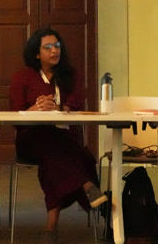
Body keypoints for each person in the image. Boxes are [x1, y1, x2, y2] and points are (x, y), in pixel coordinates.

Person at [9, 28, 107, 243]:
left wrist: (59, 107)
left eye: (57, 46)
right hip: (31, 140)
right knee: (62, 149)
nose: (55, 51)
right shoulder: (22, 77)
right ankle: (88, 185)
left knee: (54, 157)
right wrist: (35, 108)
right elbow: (14, 114)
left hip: (62, 140)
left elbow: (77, 103)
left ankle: (51, 227)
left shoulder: (70, 75)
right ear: (37, 53)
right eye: (48, 47)